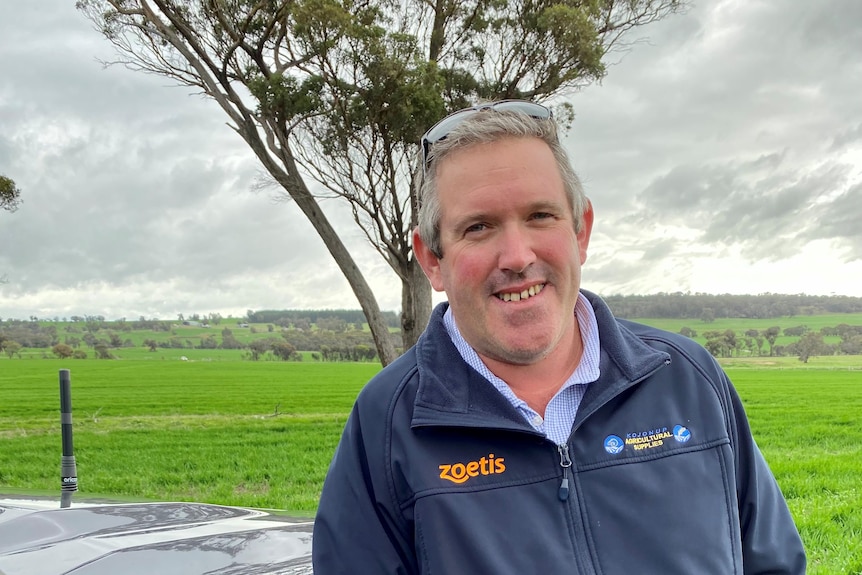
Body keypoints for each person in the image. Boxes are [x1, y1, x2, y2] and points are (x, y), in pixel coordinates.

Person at [312, 100, 806, 573]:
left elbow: (774, 565)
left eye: (539, 216)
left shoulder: (688, 380)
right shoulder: (387, 424)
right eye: (479, 227)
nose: (517, 256)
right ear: (432, 260)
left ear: (581, 230)